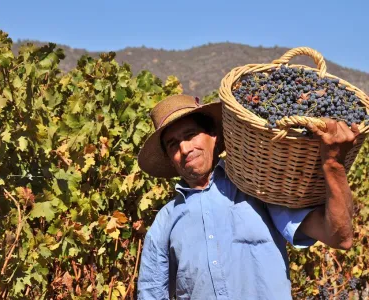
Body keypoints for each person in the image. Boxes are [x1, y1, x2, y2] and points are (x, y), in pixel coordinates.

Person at [137, 94, 358, 299]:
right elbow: (151, 292)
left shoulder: (259, 189)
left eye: (191, 135)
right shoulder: (165, 222)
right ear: (169, 158)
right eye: (173, 144)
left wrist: (333, 166)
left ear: (214, 136)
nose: (185, 149)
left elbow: (340, 238)